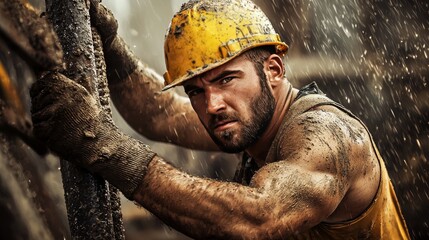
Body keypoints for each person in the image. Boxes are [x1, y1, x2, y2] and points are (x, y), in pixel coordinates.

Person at [30, 0, 410, 239]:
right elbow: (158, 113)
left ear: (274, 70)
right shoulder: (249, 120)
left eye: (226, 79)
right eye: (195, 90)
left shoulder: (329, 137)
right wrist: (111, 48)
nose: (212, 105)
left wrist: (104, 146)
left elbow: (260, 219)